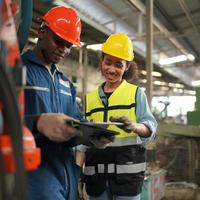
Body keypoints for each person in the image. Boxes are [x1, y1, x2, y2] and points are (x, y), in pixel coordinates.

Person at [81, 33, 157, 200]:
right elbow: (83, 143)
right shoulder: (89, 99)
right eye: (108, 62)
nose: (112, 69)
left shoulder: (136, 94)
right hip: (96, 179)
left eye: (118, 65)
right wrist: (77, 176)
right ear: (102, 61)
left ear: (127, 66)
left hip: (127, 179)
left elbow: (150, 126)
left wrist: (135, 127)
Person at [23, 6, 84, 199]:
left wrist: (91, 135)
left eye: (68, 46)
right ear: (41, 31)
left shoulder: (66, 83)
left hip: (67, 177)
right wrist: (37, 122)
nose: (63, 50)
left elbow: (75, 122)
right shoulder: (16, 70)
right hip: (33, 180)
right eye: (59, 41)